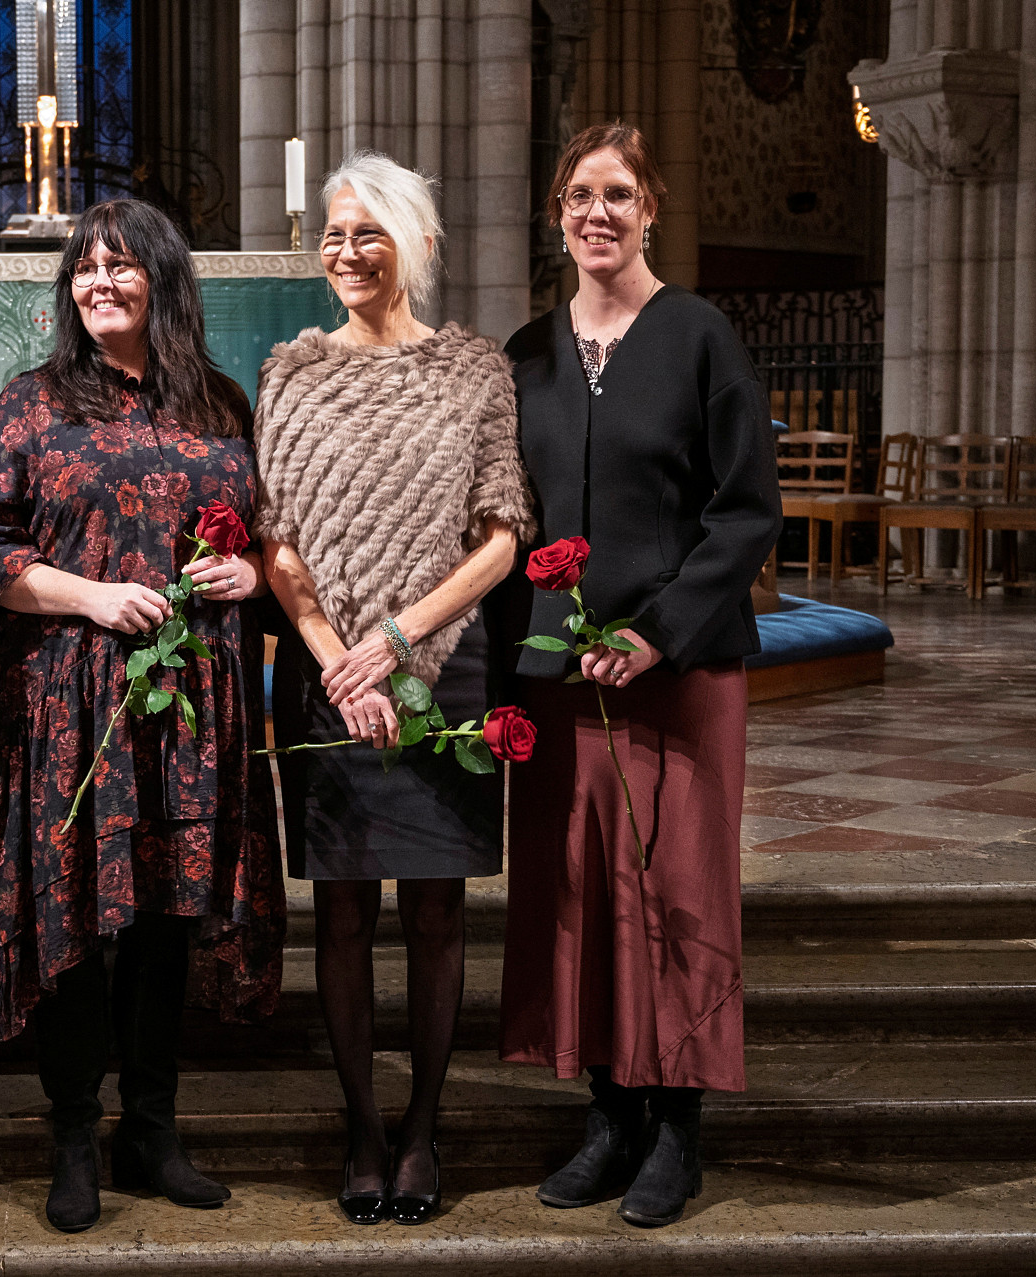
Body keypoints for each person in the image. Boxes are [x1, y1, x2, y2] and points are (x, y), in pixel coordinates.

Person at [0, 198, 285, 1234]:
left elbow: (282, 536)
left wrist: (254, 568)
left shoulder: (221, 403)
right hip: (67, 710)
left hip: (190, 709)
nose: (100, 282)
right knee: (80, 921)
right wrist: (89, 595)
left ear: (163, 281)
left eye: (122, 266)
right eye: (85, 269)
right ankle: (71, 1133)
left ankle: (152, 1125)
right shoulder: (33, 403)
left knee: (163, 923)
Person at [498, 121, 781, 1228]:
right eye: (578, 195)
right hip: (562, 676)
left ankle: (679, 1129)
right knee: (582, 890)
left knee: (675, 890)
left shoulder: (701, 335)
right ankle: (609, 1113)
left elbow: (746, 508)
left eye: (617, 194)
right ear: (558, 213)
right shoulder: (529, 351)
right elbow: (502, 513)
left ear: (651, 207)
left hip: (677, 670)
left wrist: (659, 629)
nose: (597, 214)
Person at [254, 152, 534, 1226]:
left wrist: (397, 638)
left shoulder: (474, 369)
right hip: (329, 674)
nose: (347, 250)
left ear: (413, 240)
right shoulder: (293, 370)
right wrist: (336, 657)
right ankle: (361, 1129)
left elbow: (503, 534)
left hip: (443, 662)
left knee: (434, 912)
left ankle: (423, 1128)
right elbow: (278, 540)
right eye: (334, 233)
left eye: (369, 232)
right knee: (338, 915)